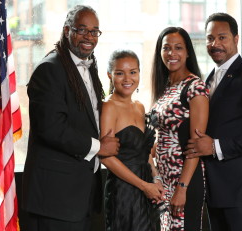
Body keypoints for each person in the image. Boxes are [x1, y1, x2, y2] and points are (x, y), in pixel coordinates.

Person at [22, 5, 120, 231]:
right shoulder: (49, 69)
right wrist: (99, 147)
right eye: (82, 29)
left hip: (80, 195)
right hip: (55, 199)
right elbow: (51, 129)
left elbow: (89, 118)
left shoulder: (89, 66)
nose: (89, 37)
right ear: (67, 30)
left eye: (94, 31)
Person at [185, 13, 242, 231]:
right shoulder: (207, 79)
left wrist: (215, 146)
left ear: (236, 39)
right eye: (210, 38)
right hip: (215, 191)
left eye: (222, 37)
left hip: (241, 191)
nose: (215, 44)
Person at [148, 27, 209, 230]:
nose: (172, 53)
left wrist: (182, 188)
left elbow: (197, 145)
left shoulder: (195, 87)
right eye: (166, 48)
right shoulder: (165, 87)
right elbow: (164, 134)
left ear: (188, 52)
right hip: (163, 180)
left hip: (184, 179)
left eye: (178, 48)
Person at [100, 50, 164, 231]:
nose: (127, 78)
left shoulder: (139, 106)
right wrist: (144, 186)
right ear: (110, 75)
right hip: (123, 190)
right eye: (120, 73)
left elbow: (144, 152)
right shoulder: (109, 106)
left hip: (147, 187)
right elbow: (106, 158)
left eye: (133, 72)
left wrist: (156, 178)